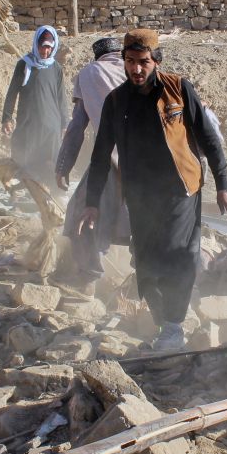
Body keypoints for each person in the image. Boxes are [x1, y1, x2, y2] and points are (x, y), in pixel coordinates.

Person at [81, 29, 227, 350]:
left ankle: (174, 324)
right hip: (140, 196)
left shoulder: (179, 89)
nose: (136, 69)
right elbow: (100, 154)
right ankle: (164, 319)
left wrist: (225, 186)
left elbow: (209, 139)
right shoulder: (116, 101)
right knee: (145, 261)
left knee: (179, 256)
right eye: (129, 62)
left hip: (182, 190)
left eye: (143, 62)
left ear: (156, 60)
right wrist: (91, 202)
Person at [55, 36, 130, 287]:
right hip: (152, 157)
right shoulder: (140, 69)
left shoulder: (89, 74)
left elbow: (77, 126)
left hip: (112, 157)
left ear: (97, 57)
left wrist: (63, 165)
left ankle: (89, 275)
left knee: (83, 210)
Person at [2, 25, 67, 187]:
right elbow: (12, 93)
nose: (45, 52)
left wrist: (65, 123)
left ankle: (53, 195)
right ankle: (25, 193)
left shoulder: (56, 68)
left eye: (48, 48)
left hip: (51, 126)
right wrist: (7, 118)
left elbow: (61, 98)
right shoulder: (24, 65)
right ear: (36, 44)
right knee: (24, 159)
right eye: (42, 47)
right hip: (29, 123)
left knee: (51, 163)